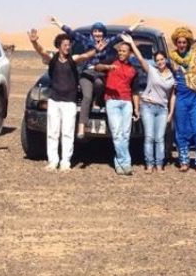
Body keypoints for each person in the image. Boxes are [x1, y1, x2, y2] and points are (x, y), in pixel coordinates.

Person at [49, 16, 144, 140]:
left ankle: (97, 101)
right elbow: (71, 32)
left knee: (99, 84)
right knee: (86, 96)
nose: (97, 34)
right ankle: (81, 127)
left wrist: (136, 24)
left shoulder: (108, 42)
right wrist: (57, 23)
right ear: (92, 32)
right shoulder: (85, 40)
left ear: (103, 33)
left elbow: (123, 34)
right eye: (95, 31)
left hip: (101, 73)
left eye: (100, 31)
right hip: (87, 72)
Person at [28, 28, 97, 171]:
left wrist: (96, 49)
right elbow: (42, 51)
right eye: (65, 44)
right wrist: (34, 42)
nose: (68, 47)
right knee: (53, 132)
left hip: (69, 102)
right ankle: (53, 161)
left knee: (67, 132)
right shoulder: (52, 60)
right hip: (54, 100)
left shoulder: (73, 59)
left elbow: (85, 56)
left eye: (69, 44)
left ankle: (66, 162)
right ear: (59, 46)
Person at [121, 34, 176, 173]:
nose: (160, 62)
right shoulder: (152, 71)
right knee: (149, 137)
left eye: (162, 59)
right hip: (148, 107)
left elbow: (172, 95)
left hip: (163, 109)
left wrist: (171, 112)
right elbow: (139, 58)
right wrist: (131, 43)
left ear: (166, 60)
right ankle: (149, 164)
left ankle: (159, 164)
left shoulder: (172, 76)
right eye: (157, 60)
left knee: (160, 138)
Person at [94, 41, 139, 175]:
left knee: (125, 134)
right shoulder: (112, 61)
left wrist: (136, 108)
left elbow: (135, 91)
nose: (121, 53)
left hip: (126, 102)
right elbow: (97, 67)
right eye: (119, 50)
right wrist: (107, 67)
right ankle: (126, 163)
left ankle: (119, 163)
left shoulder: (133, 70)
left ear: (130, 54)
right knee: (117, 133)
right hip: (112, 101)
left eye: (124, 51)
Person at [168, 27, 196, 173]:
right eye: (179, 42)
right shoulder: (171, 59)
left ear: (188, 42)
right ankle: (184, 161)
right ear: (176, 43)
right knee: (181, 130)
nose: (182, 45)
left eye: (184, 42)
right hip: (181, 97)